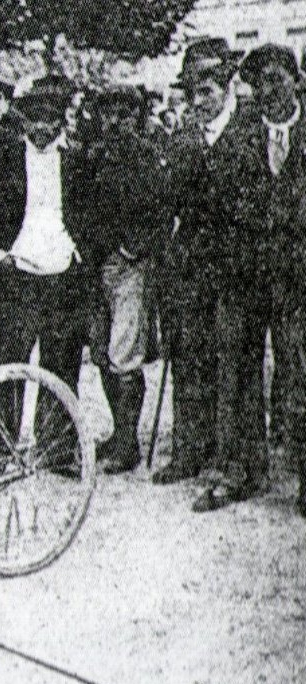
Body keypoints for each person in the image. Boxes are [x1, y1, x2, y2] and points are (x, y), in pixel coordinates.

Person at [193, 43, 306, 512]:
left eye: (276, 80)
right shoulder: (239, 139)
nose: (267, 92)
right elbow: (219, 204)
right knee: (236, 373)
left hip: (298, 279)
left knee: (298, 374)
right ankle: (243, 472)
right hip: (244, 276)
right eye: (259, 84)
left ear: (296, 82)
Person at [154, 38, 247, 487]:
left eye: (206, 89)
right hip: (190, 266)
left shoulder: (249, 129)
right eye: (191, 92)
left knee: (233, 362)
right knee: (189, 357)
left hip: (235, 266)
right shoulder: (184, 137)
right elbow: (168, 201)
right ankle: (189, 451)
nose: (198, 100)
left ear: (227, 86)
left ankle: (233, 462)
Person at [0, 74, 94, 389]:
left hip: (64, 274)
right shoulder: (3, 157)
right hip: (16, 274)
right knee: (8, 367)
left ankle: (61, 438)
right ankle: (1, 439)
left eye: (50, 120)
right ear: (24, 120)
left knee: (61, 372)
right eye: (35, 119)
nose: (41, 128)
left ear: (61, 121)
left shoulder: (78, 160)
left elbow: (94, 213)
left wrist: (81, 254)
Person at [87, 85, 169, 472]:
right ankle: (119, 433)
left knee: (124, 354)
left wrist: (132, 250)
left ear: (137, 117)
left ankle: (128, 444)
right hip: (96, 265)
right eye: (108, 113)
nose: (115, 121)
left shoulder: (147, 156)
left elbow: (161, 212)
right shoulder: (93, 156)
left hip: (130, 267)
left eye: (124, 113)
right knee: (103, 352)